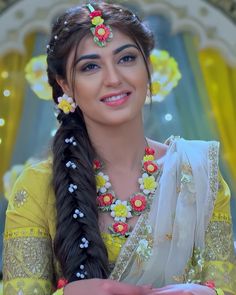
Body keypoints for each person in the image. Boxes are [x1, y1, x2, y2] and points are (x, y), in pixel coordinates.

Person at [2, 2, 236, 295]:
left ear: (148, 67)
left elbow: (226, 286)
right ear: (65, 86)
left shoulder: (199, 173)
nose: (113, 79)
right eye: (90, 66)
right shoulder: (37, 187)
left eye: (126, 58)